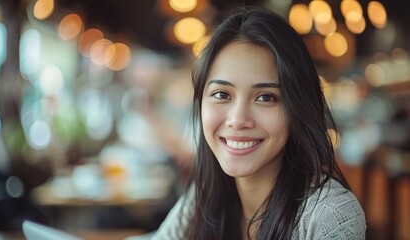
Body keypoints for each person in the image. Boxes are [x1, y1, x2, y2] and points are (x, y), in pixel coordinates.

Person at [150, 6, 366, 240]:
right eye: (222, 94)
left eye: (266, 97)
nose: (238, 120)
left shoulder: (328, 216)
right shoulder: (204, 199)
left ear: (297, 107)